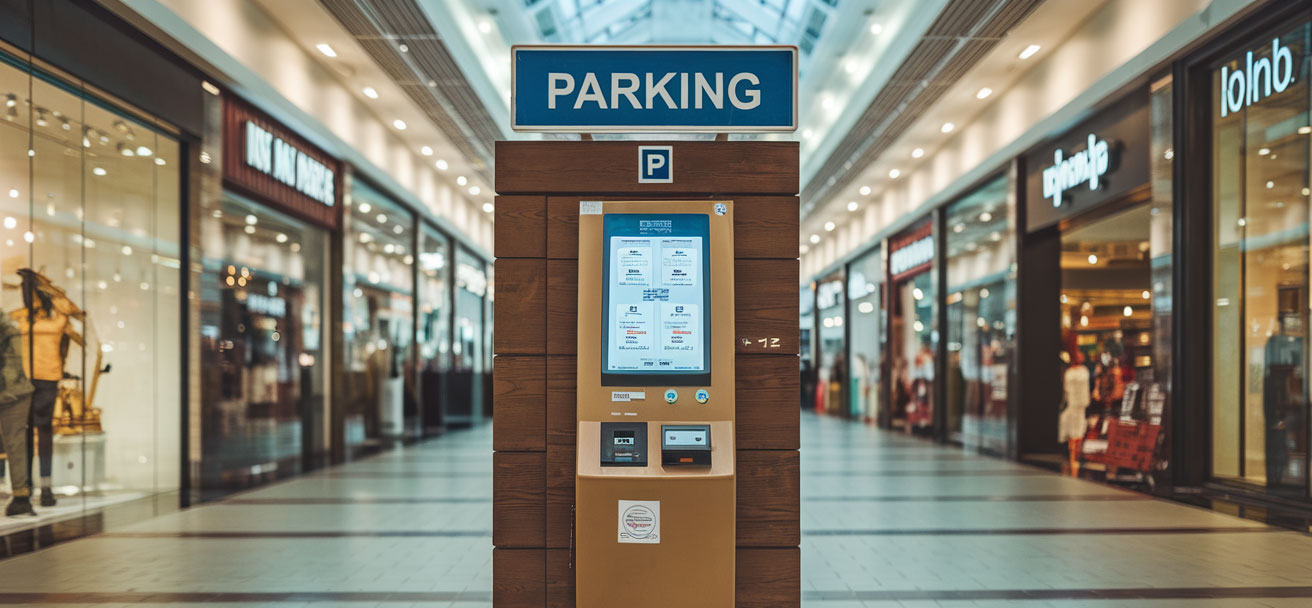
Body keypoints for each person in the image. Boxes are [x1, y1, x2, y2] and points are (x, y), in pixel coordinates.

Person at [0, 312, 35, 516]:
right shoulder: (10, 327)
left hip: (14, 394)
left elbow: (12, 369)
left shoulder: (9, 329)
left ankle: (21, 497)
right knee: (15, 444)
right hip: (15, 392)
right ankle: (21, 496)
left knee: (15, 443)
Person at [1059, 350, 1090, 476]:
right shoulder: (1070, 372)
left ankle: (1076, 455)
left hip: (1080, 405)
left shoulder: (1083, 371)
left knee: (1078, 431)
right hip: (1072, 404)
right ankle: (1071, 454)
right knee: (1070, 430)